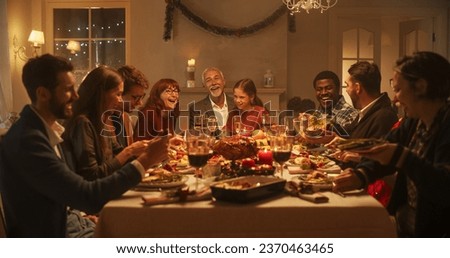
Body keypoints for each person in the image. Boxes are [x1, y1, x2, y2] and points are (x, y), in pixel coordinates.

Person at [0, 54, 168, 237]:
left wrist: (83, 219)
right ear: (42, 94)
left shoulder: (46, 131)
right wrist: (146, 160)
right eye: (68, 89)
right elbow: (88, 196)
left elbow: (66, 197)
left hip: (73, 223)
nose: (76, 95)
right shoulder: (28, 140)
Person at [333, 51, 450, 237]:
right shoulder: (414, 121)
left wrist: (402, 157)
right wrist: (361, 174)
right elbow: (384, 146)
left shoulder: (445, 124)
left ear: (421, 87)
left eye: (398, 89)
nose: (395, 99)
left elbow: (444, 185)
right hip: (405, 219)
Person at [63, 66, 150, 181]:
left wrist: (153, 149)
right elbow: (91, 175)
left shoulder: (102, 120)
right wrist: (129, 152)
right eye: (118, 94)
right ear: (100, 93)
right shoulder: (83, 123)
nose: (120, 100)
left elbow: (118, 153)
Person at [313, 70, 359, 137]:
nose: (323, 93)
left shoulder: (351, 114)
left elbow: (346, 143)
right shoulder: (317, 113)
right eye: (319, 89)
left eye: (328, 88)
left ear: (338, 89)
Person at [114, 65, 150, 147]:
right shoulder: (105, 120)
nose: (140, 103)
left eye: (141, 97)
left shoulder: (125, 118)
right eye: (135, 97)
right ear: (120, 93)